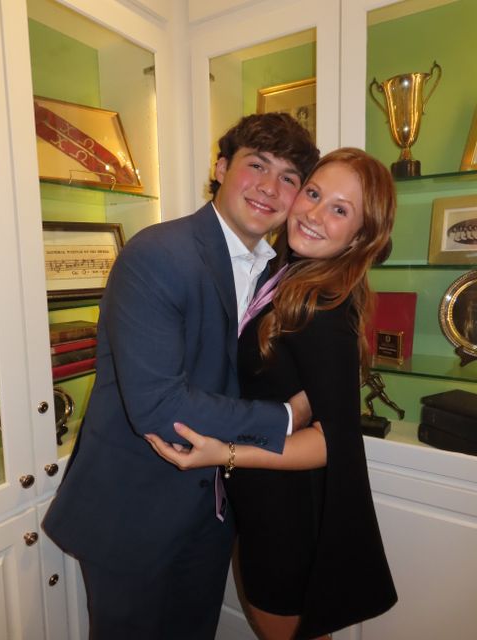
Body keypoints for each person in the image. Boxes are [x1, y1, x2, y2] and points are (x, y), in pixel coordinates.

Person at [42, 112, 320, 640]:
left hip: (211, 514)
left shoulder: (276, 272)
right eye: (257, 165)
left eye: (288, 177)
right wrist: (287, 417)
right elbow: (160, 408)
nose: (270, 187)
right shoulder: (158, 254)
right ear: (221, 168)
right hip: (134, 514)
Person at [146, 147, 399, 640]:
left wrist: (226, 453)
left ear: (360, 236)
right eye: (314, 193)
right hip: (263, 499)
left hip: (287, 514)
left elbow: (333, 442)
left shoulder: (323, 308)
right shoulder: (288, 276)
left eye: (340, 210)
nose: (314, 214)